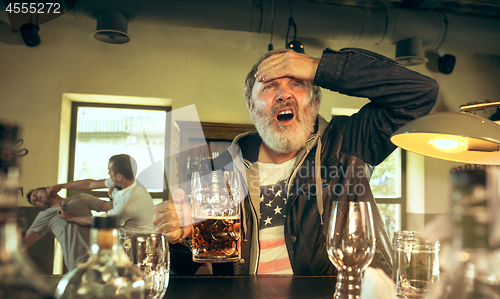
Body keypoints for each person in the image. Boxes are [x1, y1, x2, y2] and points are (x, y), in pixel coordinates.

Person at [154, 47, 439, 276]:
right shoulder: (218, 171)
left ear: (314, 102)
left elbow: (420, 93)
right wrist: (180, 238)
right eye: (268, 86)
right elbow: (187, 270)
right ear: (252, 108)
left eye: (297, 83)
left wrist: (319, 67)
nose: (283, 94)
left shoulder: (348, 142)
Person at [47, 154, 156, 234]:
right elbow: (90, 184)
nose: (108, 173)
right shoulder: (128, 181)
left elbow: (97, 221)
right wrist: (61, 186)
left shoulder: (127, 204)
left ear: (119, 176)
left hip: (139, 245)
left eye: (109, 170)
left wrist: (71, 218)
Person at [25, 187, 110, 270]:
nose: (36, 198)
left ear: (47, 189)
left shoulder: (81, 198)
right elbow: (26, 241)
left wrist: (114, 195)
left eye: (35, 194)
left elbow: (112, 207)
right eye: (34, 202)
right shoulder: (44, 216)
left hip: (102, 256)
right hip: (79, 263)